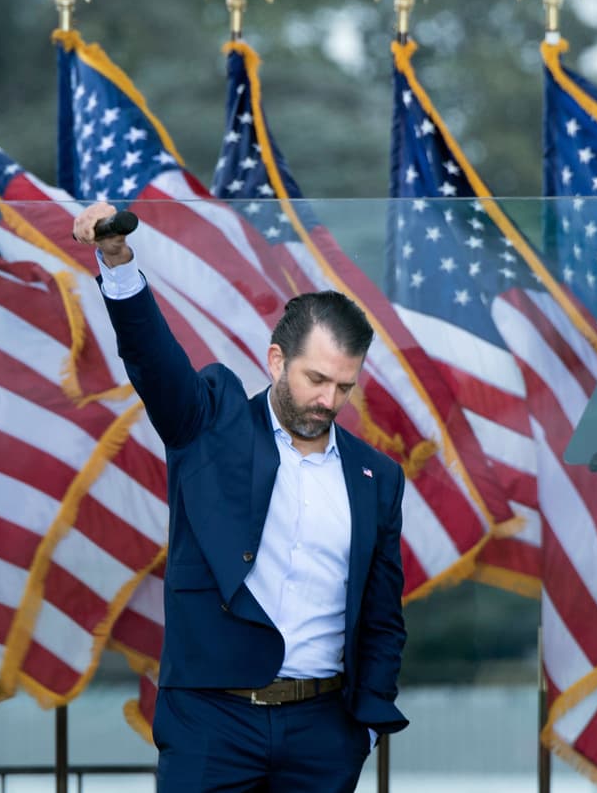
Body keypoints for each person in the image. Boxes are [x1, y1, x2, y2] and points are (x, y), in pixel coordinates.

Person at [74, 202, 408, 793]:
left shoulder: (375, 477)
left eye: (344, 386)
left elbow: (382, 614)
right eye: (316, 379)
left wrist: (366, 726)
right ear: (277, 359)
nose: (329, 401)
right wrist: (118, 261)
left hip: (323, 732)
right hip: (212, 723)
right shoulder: (210, 420)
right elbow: (156, 362)